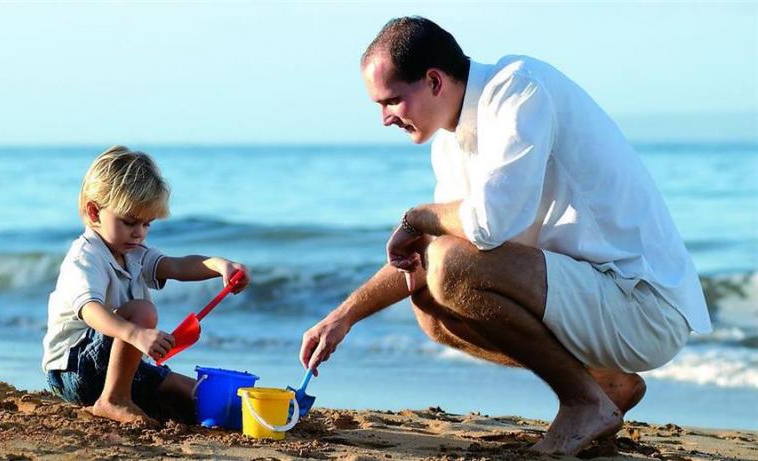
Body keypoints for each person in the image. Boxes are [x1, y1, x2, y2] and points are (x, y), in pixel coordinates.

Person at [299, 16, 711, 455]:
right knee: (431, 307)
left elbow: (487, 225)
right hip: (590, 297)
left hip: (641, 306)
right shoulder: (449, 141)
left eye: (392, 101)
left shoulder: (519, 90)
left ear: (434, 81)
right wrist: (343, 317)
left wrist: (418, 217)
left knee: (451, 267)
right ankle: (600, 385)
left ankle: (583, 402)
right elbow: (429, 258)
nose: (384, 118)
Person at [42, 146, 249, 425]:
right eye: (129, 222)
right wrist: (136, 334)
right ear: (94, 212)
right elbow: (90, 310)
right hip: (73, 369)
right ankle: (113, 399)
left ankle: (239, 408)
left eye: (147, 224)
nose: (139, 233)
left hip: (112, 367)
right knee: (143, 310)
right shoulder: (85, 257)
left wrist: (218, 266)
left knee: (190, 392)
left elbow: (176, 266)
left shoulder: (133, 252)